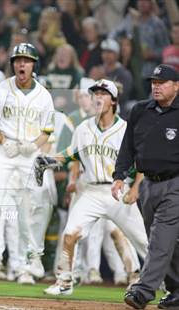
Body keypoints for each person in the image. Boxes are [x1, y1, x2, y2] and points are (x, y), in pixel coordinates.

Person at [43, 79, 148, 296]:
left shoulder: (125, 129)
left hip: (118, 190)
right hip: (90, 190)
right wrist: (48, 160)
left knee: (144, 243)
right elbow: (70, 155)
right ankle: (64, 282)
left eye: (103, 93)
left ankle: (170, 284)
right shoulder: (83, 128)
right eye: (95, 93)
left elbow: (142, 163)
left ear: (113, 101)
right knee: (70, 234)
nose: (98, 97)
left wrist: (136, 188)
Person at [0, 43, 55, 287]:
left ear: (33, 65)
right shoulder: (0, 90)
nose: (22, 64)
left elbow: (47, 132)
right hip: (3, 152)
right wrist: (3, 140)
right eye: (18, 60)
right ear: (13, 64)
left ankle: (30, 261)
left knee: (33, 206)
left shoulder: (44, 95)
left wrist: (35, 146)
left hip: (29, 154)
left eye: (26, 60)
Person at [112, 64, 179, 309]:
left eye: (162, 83)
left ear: (177, 86)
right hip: (148, 185)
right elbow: (128, 147)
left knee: (161, 237)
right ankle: (177, 292)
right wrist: (120, 175)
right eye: (154, 82)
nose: (156, 86)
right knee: (162, 241)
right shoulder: (140, 110)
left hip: (175, 184)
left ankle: (143, 291)